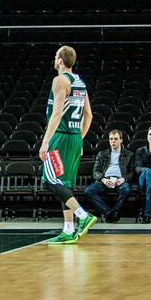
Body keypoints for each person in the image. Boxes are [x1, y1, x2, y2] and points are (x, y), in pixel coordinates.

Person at [38, 45, 97, 244]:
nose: (54, 60)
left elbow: (56, 113)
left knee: (49, 180)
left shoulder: (60, 80)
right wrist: (80, 137)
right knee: (65, 184)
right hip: (74, 138)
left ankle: (83, 215)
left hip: (60, 137)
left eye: (56, 57)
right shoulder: (80, 82)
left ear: (61, 61)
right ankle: (69, 230)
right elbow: (88, 115)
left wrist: (46, 141)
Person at [83, 129, 134, 223]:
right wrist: (103, 179)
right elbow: (95, 171)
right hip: (105, 181)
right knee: (88, 191)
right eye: (111, 139)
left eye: (115, 139)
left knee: (126, 189)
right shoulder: (102, 154)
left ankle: (115, 212)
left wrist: (124, 179)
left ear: (121, 140)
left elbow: (132, 172)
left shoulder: (129, 154)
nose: (113, 141)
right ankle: (110, 213)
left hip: (120, 181)